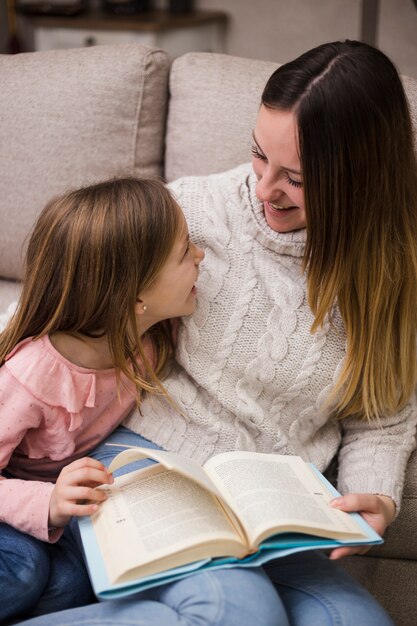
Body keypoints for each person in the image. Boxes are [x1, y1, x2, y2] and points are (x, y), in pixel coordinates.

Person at [8, 39, 417, 626]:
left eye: (297, 179)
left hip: (276, 505)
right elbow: (68, 307)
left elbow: (384, 417)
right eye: (259, 155)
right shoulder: (189, 214)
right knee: (238, 614)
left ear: (361, 179)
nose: (264, 188)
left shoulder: (395, 273)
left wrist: (376, 496)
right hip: (152, 466)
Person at [1, 178, 281, 626]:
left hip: (58, 515)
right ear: (135, 298)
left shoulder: (144, 342)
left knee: (73, 584)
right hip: (20, 503)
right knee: (24, 571)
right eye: (184, 251)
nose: (201, 256)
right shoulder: (32, 376)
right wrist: (47, 502)